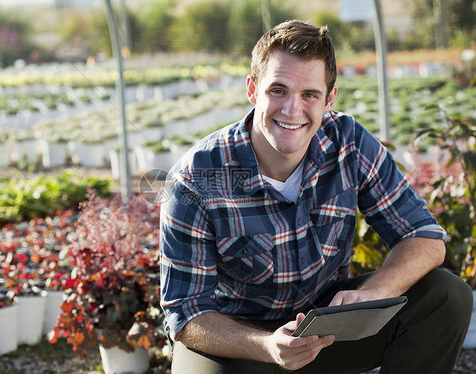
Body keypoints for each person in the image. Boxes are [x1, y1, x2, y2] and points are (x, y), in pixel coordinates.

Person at [159, 20, 473, 373]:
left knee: (446, 295)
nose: (292, 110)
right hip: (239, 339)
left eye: (309, 94)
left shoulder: (348, 143)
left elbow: (425, 237)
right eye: (278, 90)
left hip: (325, 329)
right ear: (252, 89)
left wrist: (375, 291)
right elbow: (186, 313)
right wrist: (268, 346)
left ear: (329, 98)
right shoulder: (196, 178)